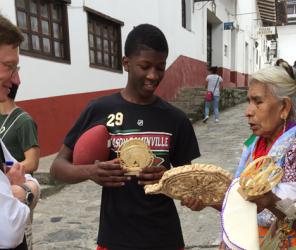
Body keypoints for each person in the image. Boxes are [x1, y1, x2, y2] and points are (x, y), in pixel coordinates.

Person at [50, 24, 200, 250]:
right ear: (126, 63)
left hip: (164, 238)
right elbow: (57, 167)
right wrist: (90, 171)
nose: (153, 76)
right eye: (145, 66)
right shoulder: (99, 109)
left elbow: (188, 184)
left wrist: (168, 178)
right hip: (114, 239)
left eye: (160, 67)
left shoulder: (176, 119)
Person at [183, 59, 296, 249]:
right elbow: (243, 203)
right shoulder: (254, 147)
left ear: (284, 107)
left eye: (258, 102)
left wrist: (270, 201)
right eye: (249, 101)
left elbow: (287, 213)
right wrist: (208, 200)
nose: (247, 111)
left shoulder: (293, 148)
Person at [0, 14, 40, 249]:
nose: (17, 80)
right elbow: (8, 229)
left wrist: (20, 186)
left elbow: (30, 164)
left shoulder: (24, 120)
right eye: (10, 67)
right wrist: (27, 190)